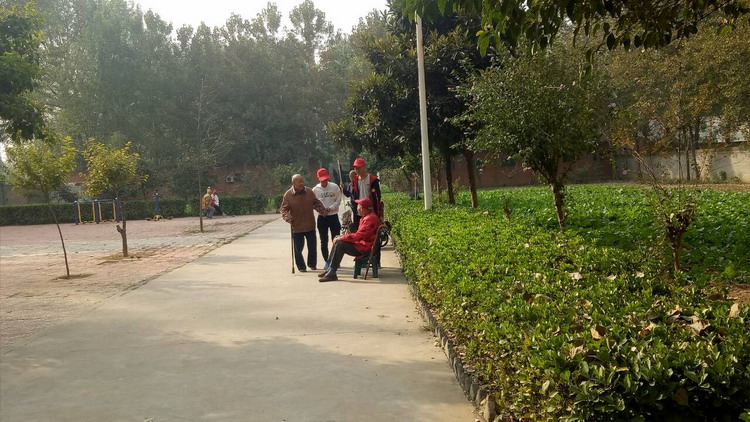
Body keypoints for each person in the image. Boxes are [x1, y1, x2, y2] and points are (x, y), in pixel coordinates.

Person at [318, 198, 381, 282]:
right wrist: (343, 237)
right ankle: (330, 269)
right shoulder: (366, 217)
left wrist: (343, 237)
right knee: (338, 241)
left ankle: (332, 272)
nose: (357, 208)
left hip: (365, 247)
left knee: (340, 244)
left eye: (359, 206)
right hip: (362, 244)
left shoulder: (369, 219)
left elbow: (359, 236)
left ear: (365, 208)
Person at [280, 174, 327, 272]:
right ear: (293, 183)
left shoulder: (309, 192)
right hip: (297, 226)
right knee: (298, 249)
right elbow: (284, 209)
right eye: (299, 181)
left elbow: (316, 202)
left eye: (302, 181)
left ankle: (312, 264)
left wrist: (322, 209)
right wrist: (288, 217)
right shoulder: (288, 195)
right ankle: (301, 266)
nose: (301, 183)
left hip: (310, 224)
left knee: (312, 247)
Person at [312, 168, 342, 266]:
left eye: (326, 179)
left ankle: (335, 260)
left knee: (336, 240)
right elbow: (313, 204)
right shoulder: (315, 190)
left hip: (333, 217)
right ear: (318, 178)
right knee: (323, 241)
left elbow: (338, 200)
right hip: (322, 218)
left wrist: (330, 208)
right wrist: (321, 210)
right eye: (322, 180)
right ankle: (327, 261)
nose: (324, 181)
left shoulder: (334, 187)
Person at [349, 157, 383, 230]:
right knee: (360, 231)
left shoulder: (373, 180)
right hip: (359, 211)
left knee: (372, 231)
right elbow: (353, 196)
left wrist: (377, 210)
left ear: (364, 167)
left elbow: (378, 196)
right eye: (355, 168)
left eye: (359, 168)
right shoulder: (354, 181)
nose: (357, 170)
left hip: (370, 211)